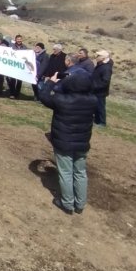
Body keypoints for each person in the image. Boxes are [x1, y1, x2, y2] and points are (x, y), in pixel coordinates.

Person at [39, 71, 98, 215]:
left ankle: (67, 203)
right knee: (80, 172)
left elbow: (44, 96)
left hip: (64, 142)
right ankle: (80, 203)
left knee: (65, 172)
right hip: (82, 142)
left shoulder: (61, 100)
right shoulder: (93, 100)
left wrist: (52, 82)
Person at [91, 50, 113, 127]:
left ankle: (102, 122)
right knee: (95, 106)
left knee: (100, 107)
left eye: (98, 56)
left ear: (103, 58)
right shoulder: (100, 65)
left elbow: (105, 81)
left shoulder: (106, 68)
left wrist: (95, 86)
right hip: (95, 90)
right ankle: (96, 120)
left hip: (100, 91)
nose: (96, 57)